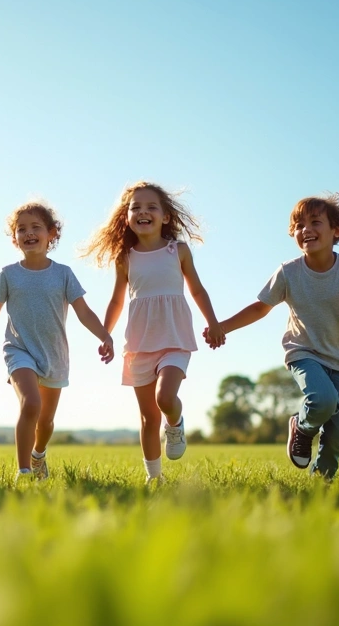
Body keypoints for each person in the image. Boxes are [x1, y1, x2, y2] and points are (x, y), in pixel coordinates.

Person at [209, 194, 339, 479]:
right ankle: (303, 427)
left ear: (336, 230)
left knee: (337, 437)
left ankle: (321, 483)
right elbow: (260, 308)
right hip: (303, 353)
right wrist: (223, 327)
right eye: (299, 225)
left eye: (315, 222)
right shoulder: (288, 272)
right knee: (322, 400)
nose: (305, 229)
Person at [84, 181, 223, 483]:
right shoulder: (125, 258)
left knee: (165, 397)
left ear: (165, 217)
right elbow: (117, 300)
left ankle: (175, 423)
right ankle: (154, 478)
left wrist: (213, 322)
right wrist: (105, 334)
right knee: (148, 417)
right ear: (126, 217)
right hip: (139, 341)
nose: (142, 212)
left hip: (174, 336)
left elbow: (197, 290)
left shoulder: (178, 251)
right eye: (135, 207)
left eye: (151, 207)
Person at [0, 201, 114, 480]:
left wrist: (104, 335)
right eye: (21, 229)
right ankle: (23, 472)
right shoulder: (9, 274)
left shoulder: (63, 274)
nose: (28, 233)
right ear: (15, 238)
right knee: (31, 404)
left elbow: (83, 312)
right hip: (19, 350)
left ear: (51, 234)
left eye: (36, 227)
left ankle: (38, 455)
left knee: (46, 422)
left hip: (54, 355)